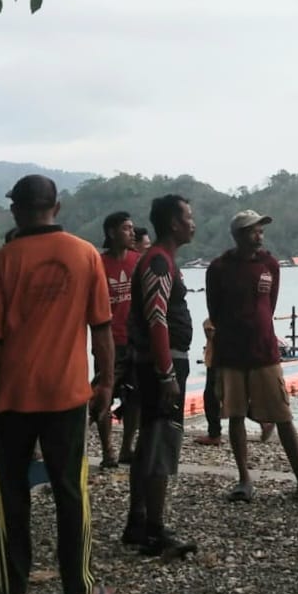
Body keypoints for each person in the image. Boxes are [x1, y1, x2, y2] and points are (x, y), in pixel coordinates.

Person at [0, 175, 116, 594]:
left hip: (11, 397)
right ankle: (77, 589)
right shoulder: (86, 254)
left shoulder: (2, 261)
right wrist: (105, 382)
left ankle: (10, 583)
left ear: (16, 209)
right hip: (67, 395)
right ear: (57, 206)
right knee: (72, 491)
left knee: (9, 492)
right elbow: (102, 329)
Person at [205, 210, 298, 505]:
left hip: (265, 353)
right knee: (235, 415)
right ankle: (244, 479)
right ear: (238, 235)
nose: (259, 236)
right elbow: (215, 310)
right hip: (232, 355)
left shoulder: (270, 264)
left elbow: (268, 307)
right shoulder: (219, 268)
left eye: (261, 230)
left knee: (283, 416)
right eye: (253, 231)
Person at [123, 195, 198, 559]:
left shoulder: (161, 260)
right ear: (173, 223)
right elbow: (156, 318)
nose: (192, 223)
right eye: (188, 217)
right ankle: (154, 528)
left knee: (150, 443)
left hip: (158, 364)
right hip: (161, 368)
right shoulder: (158, 261)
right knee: (159, 444)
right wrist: (166, 372)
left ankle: (138, 521)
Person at [97, 211, 140, 468]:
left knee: (134, 399)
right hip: (108, 342)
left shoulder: (139, 261)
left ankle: (127, 447)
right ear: (112, 232)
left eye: (132, 228)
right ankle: (107, 450)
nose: (132, 233)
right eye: (126, 228)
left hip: (134, 341)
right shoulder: (98, 264)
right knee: (104, 395)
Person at [194, 318, 223, 445]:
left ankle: (214, 434)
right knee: (218, 396)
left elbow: (212, 333)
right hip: (219, 359)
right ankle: (214, 432)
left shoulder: (218, 317)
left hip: (218, 360)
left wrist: (207, 326)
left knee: (211, 397)